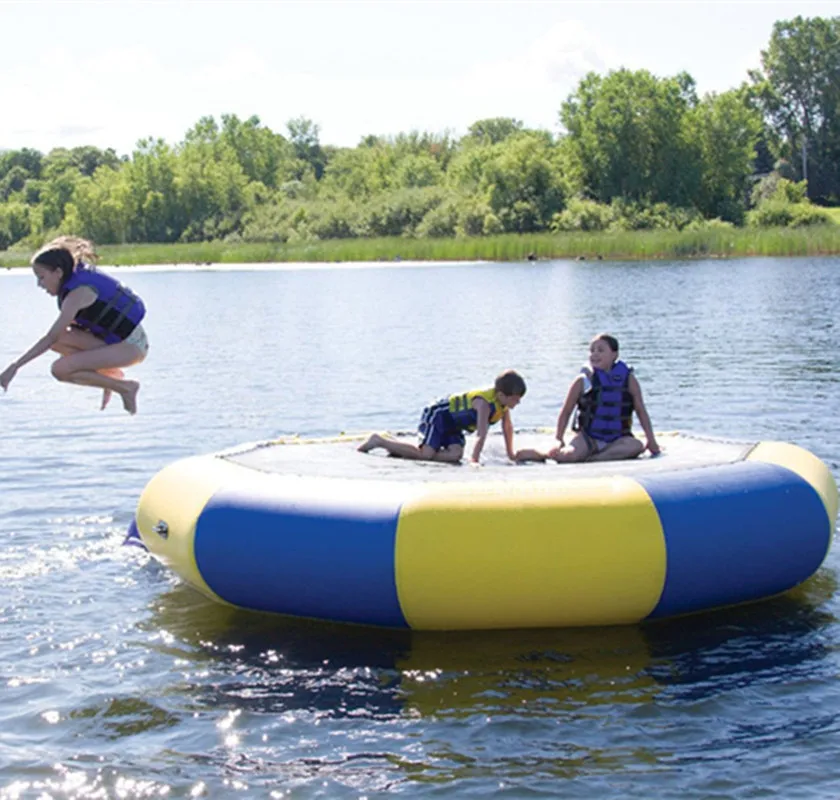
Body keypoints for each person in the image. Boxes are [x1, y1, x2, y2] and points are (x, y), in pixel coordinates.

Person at [0, 236, 148, 414]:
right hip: (119, 342)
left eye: (42, 277)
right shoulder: (73, 285)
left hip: (132, 346)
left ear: (58, 272)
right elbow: (56, 338)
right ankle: (110, 373)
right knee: (59, 341)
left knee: (60, 369)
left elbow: (49, 337)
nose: (39, 284)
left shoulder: (78, 294)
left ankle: (126, 387)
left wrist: (15, 366)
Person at [516, 334, 660, 463]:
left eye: (600, 350)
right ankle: (542, 454)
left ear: (614, 355)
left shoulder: (629, 380)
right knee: (569, 456)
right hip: (589, 437)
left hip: (618, 439)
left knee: (636, 446)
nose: (595, 354)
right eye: (592, 350)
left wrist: (651, 440)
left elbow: (641, 410)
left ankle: (596, 458)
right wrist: (558, 439)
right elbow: (566, 411)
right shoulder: (583, 380)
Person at [357, 369, 527, 464]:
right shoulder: (483, 403)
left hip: (453, 425)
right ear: (502, 395)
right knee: (426, 455)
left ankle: (400, 449)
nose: (518, 402)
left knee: (455, 455)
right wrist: (475, 459)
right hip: (438, 414)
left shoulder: (502, 405)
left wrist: (510, 453)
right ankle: (379, 440)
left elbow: (507, 428)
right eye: (516, 399)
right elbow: (481, 433)